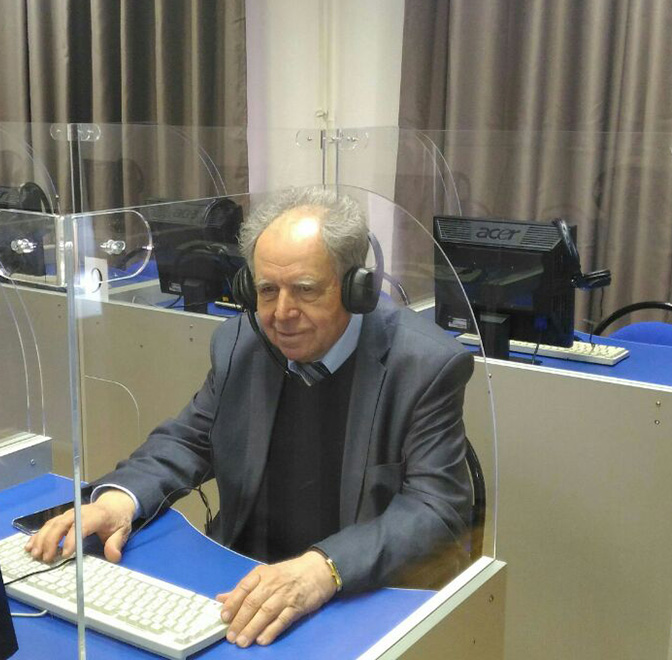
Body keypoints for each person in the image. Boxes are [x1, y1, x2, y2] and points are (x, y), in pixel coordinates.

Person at [27, 186, 474, 648]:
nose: (282, 313)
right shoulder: (241, 342)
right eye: (266, 290)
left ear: (356, 288)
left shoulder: (423, 366)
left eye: (305, 290)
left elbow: (436, 509)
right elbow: (189, 439)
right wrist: (119, 501)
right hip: (239, 579)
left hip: (355, 597)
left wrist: (325, 568)